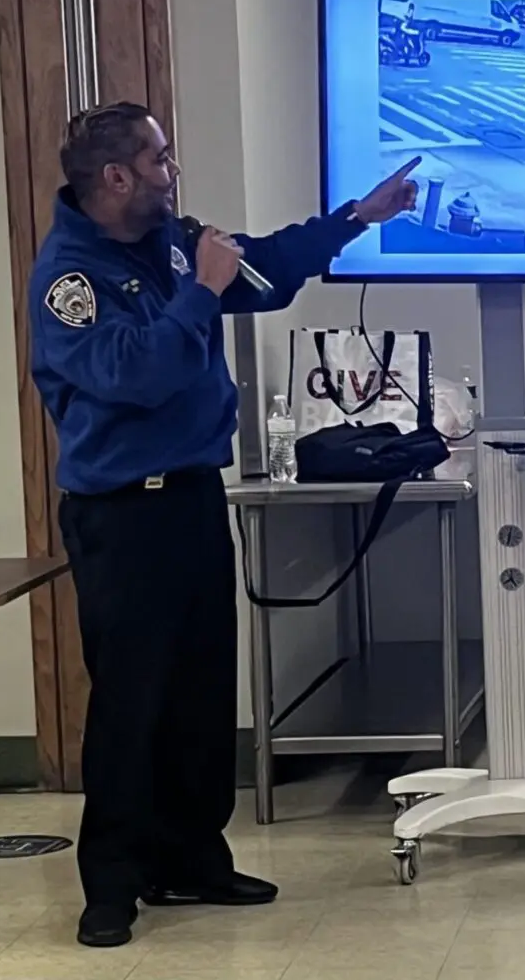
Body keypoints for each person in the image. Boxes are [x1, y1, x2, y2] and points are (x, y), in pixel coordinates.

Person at [29, 101, 420, 948]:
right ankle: (113, 886)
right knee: (133, 703)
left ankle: (193, 859)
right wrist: (199, 289)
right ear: (117, 177)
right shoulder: (70, 279)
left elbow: (267, 269)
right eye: (161, 160)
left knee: (203, 692)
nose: (175, 174)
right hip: (121, 516)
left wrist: (355, 219)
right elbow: (135, 375)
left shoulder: (176, 240)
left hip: (193, 500)